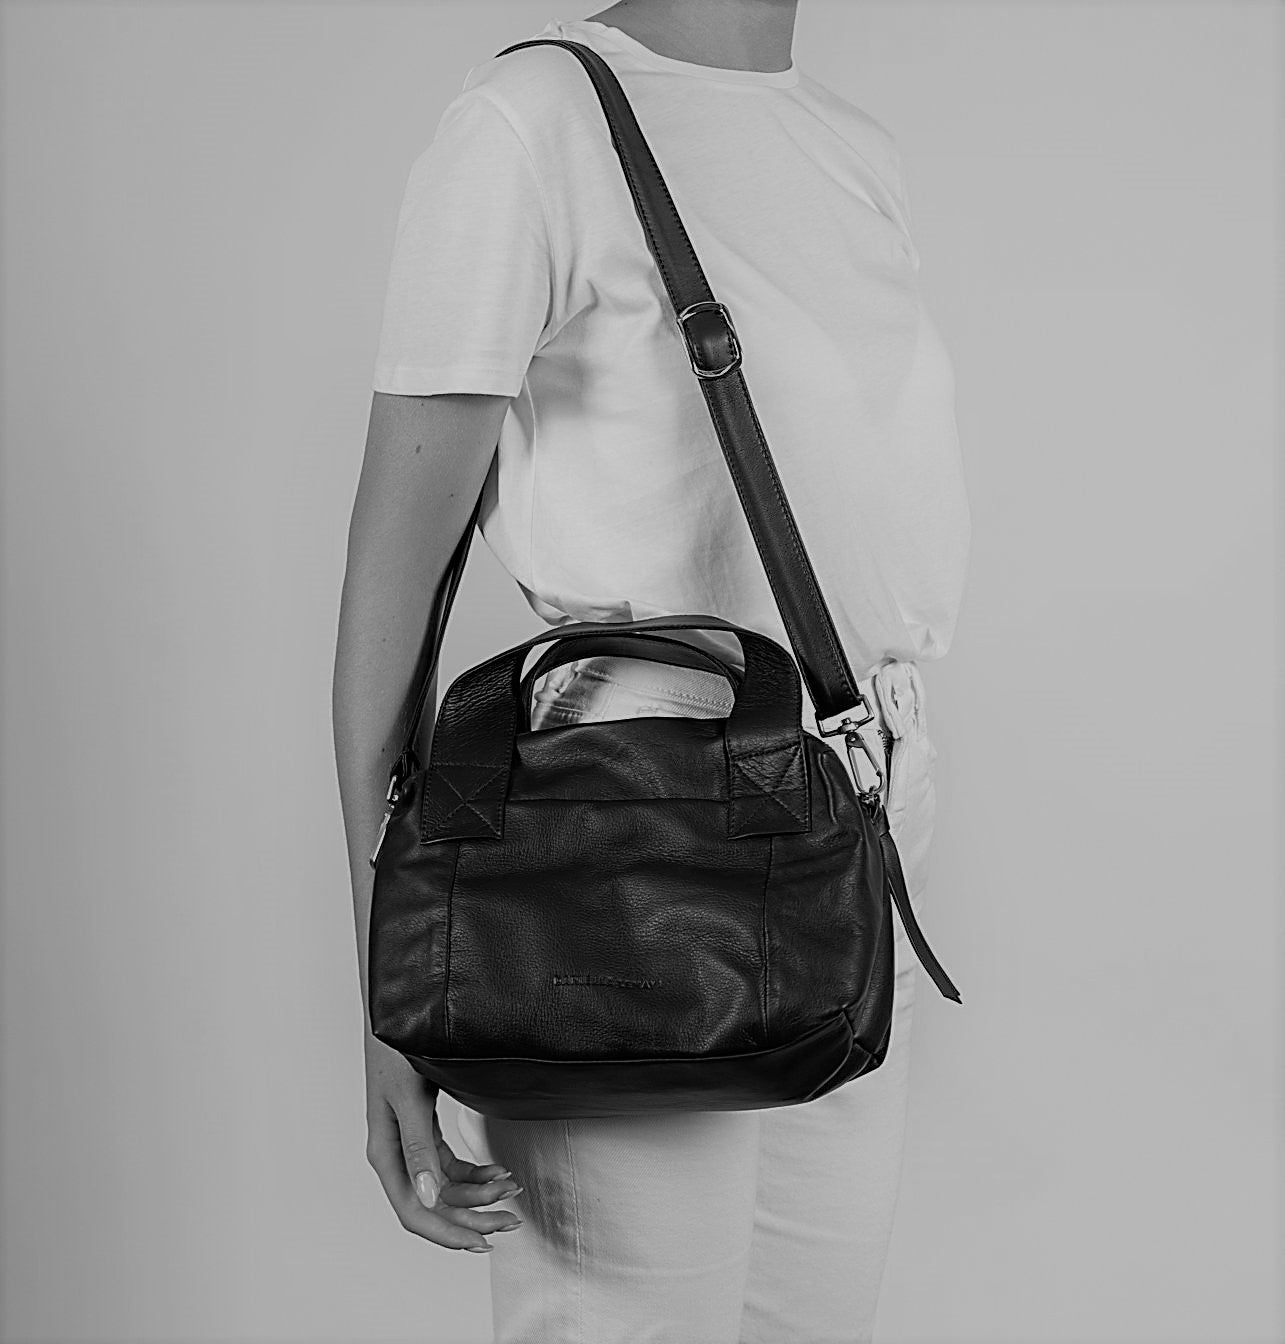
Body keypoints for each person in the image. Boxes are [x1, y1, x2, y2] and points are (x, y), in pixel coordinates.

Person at [332, 1, 971, 1339]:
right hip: (621, 839)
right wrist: (390, 972)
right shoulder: (531, 125)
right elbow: (396, 569)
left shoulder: (848, 144)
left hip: (851, 819)